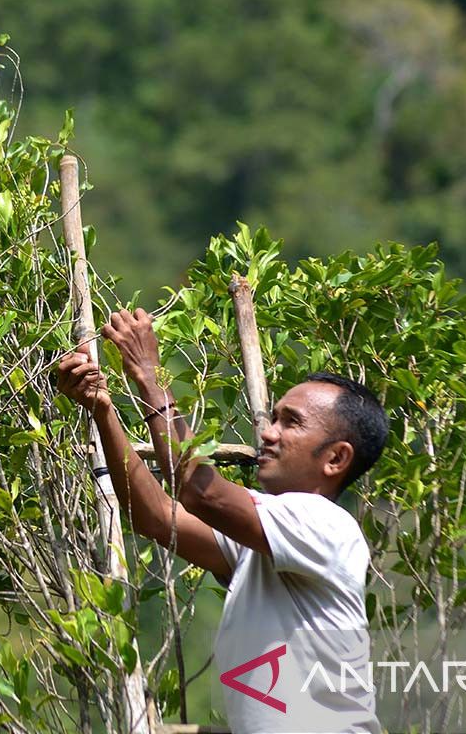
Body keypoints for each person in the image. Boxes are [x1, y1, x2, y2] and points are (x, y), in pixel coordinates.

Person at [55, 308, 389, 733]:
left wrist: (149, 377)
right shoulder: (269, 539)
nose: (269, 433)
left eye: (292, 423)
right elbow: (157, 517)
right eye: (275, 417)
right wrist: (103, 409)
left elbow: (200, 492)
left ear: (336, 458)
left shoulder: (327, 527)